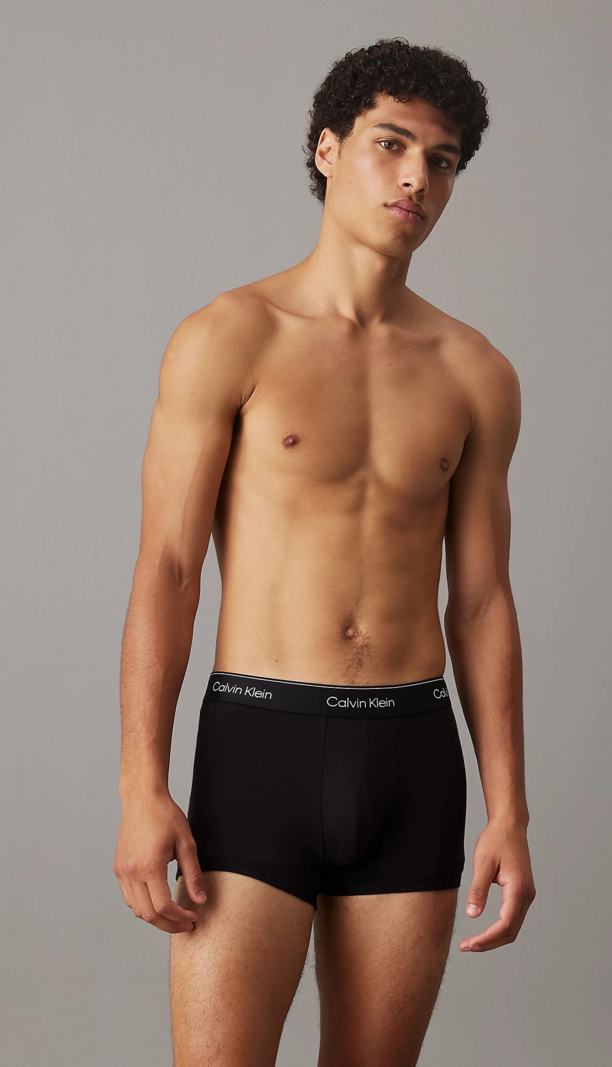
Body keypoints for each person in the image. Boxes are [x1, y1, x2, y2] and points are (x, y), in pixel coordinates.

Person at [114, 36, 535, 1067]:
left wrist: (510, 810)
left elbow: (481, 601)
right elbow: (168, 568)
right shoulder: (231, 335)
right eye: (392, 144)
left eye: (441, 160)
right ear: (327, 148)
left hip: (411, 758)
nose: (416, 177)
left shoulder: (475, 372)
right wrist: (141, 786)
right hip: (260, 745)